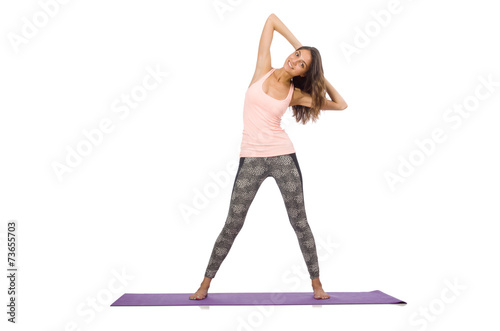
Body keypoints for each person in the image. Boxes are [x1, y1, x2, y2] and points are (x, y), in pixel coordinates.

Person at [189, 13, 347, 300]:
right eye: (296, 55)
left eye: (302, 65)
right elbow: (272, 20)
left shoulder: (294, 94)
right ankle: (204, 284)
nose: (295, 61)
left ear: (303, 74)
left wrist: (319, 74)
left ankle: (317, 285)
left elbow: (341, 104)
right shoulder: (263, 68)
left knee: (299, 221)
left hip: (283, 157)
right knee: (233, 223)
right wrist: (304, 47)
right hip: (250, 158)